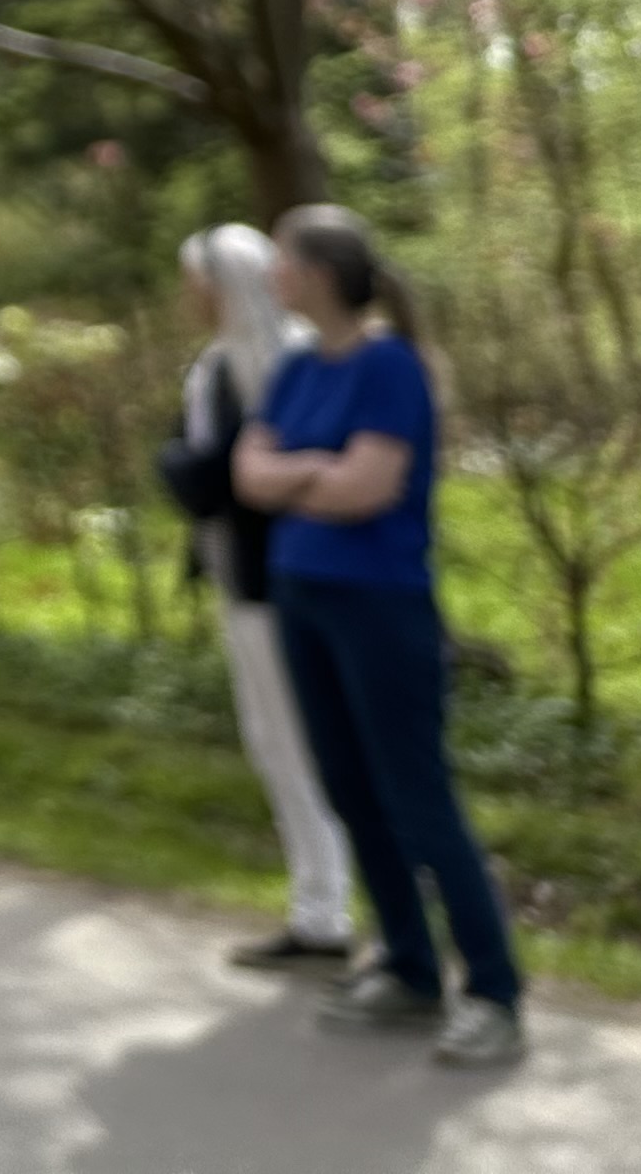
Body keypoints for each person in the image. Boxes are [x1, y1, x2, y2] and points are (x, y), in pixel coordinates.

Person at [232, 204, 528, 1069]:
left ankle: (495, 992)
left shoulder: (391, 366)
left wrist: (301, 477)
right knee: (348, 788)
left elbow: (366, 489)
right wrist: (309, 475)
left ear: (316, 274)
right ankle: (407, 967)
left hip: (380, 604)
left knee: (416, 797)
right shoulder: (294, 370)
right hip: (303, 596)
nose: (270, 277)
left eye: (280, 261)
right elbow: (249, 476)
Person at [157, 224, 353, 973]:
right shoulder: (215, 367)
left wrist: (184, 468)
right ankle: (317, 906)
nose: (190, 299)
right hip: (243, 582)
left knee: (303, 746)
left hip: (287, 585)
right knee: (272, 744)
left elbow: (234, 479)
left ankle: (329, 911)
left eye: (197, 284)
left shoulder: (293, 358)